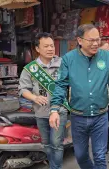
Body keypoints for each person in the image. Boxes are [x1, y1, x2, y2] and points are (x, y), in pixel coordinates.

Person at [49, 24, 109, 169]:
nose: (95, 44)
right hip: (78, 117)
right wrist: (54, 109)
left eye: (98, 40)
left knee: (100, 156)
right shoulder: (69, 59)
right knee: (81, 156)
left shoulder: (106, 56)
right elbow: (61, 85)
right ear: (80, 40)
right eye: (91, 40)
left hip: (100, 116)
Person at [19, 32, 68, 169]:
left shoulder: (62, 63)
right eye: (46, 46)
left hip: (60, 110)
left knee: (56, 143)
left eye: (52, 46)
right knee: (46, 144)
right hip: (41, 113)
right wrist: (34, 97)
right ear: (37, 48)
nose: (50, 49)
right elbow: (23, 89)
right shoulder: (31, 69)